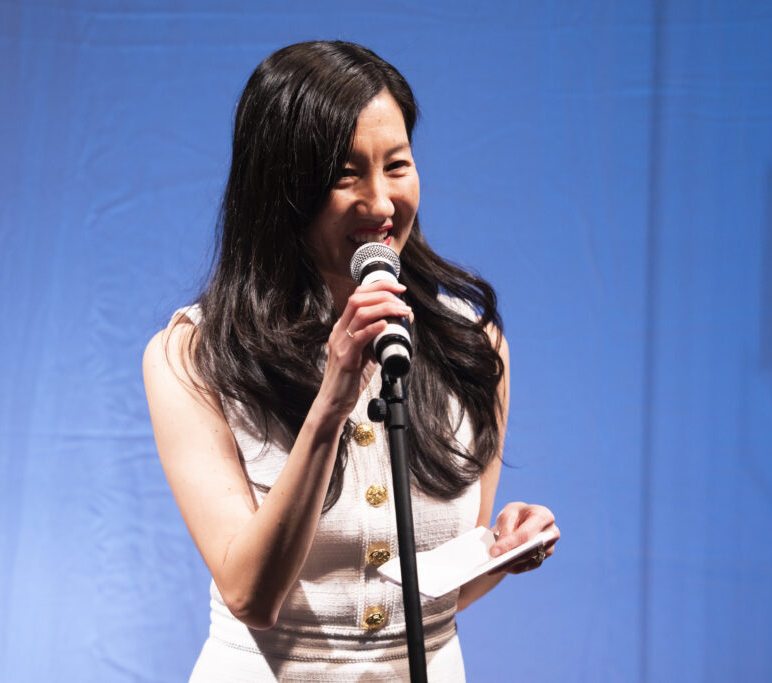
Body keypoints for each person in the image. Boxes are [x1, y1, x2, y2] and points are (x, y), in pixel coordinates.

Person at [143, 40, 560, 681]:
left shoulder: (473, 343)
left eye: (397, 165)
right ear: (280, 192)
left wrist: (501, 552)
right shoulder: (196, 356)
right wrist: (333, 397)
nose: (382, 203)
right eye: (345, 175)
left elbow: (440, 594)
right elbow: (250, 595)